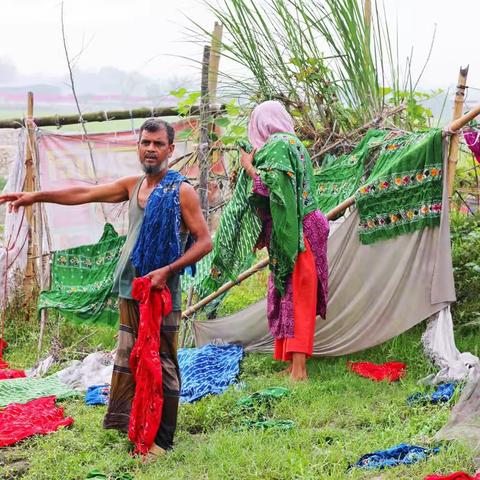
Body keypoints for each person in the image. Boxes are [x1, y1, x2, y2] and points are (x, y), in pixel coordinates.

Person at [0, 118, 212, 458]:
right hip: (130, 288)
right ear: (139, 146)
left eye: (159, 144)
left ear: (171, 150)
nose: (151, 149)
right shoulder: (134, 185)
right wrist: (34, 196)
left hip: (161, 292)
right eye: (146, 143)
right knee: (130, 358)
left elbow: (204, 242)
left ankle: (163, 439)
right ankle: (134, 424)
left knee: (164, 362)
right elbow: (84, 193)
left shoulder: (180, 191)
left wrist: (167, 270)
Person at [239, 100, 329, 381]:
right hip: (304, 226)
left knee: (297, 296)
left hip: (299, 232)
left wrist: (250, 168)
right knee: (288, 294)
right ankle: (291, 363)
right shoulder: (294, 143)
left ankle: (299, 371)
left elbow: (274, 189)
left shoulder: (278, 145)